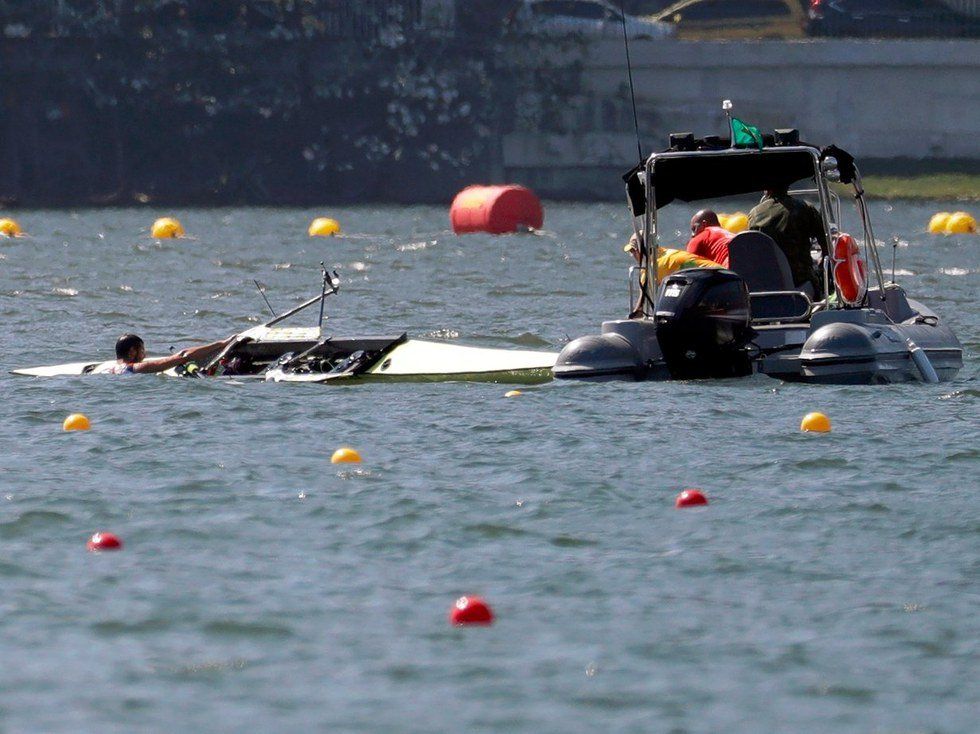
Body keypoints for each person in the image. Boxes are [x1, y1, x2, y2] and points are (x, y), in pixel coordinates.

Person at [747, 187, 829, 294]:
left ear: (766, 190)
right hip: (800, 281)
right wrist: (823, 267)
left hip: (767, 282)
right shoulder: (805, 208)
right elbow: (826, 243)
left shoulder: (754, 214)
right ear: (787, 187)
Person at [624, 234, 720, 318]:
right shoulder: (665, 253)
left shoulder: (652, 267)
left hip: (713, 281)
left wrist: (631, 320)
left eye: (633, 251)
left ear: (641, 250)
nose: (633, 255)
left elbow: (641, 308)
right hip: (724, 275)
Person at [103, 333, 235, 374]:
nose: (145, 355)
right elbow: (184, 356)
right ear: (132, 352)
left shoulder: (111, 369)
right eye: (142, 350)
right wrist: (222, 343)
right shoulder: (136, 368)